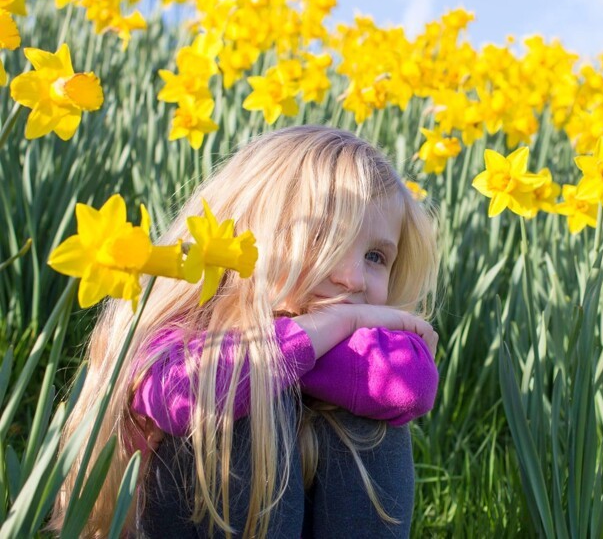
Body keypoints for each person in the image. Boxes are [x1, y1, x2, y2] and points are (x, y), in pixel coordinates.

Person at [50, 126, 441, 538]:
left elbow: (407, 385)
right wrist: (333, 326)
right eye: (323, 237)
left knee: (370, 420)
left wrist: (311, 346)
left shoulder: (357, 335)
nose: (353, 278)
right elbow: (178, 397)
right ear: (245, 233)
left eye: (376, 256)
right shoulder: (193, 325)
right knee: (240, 391)